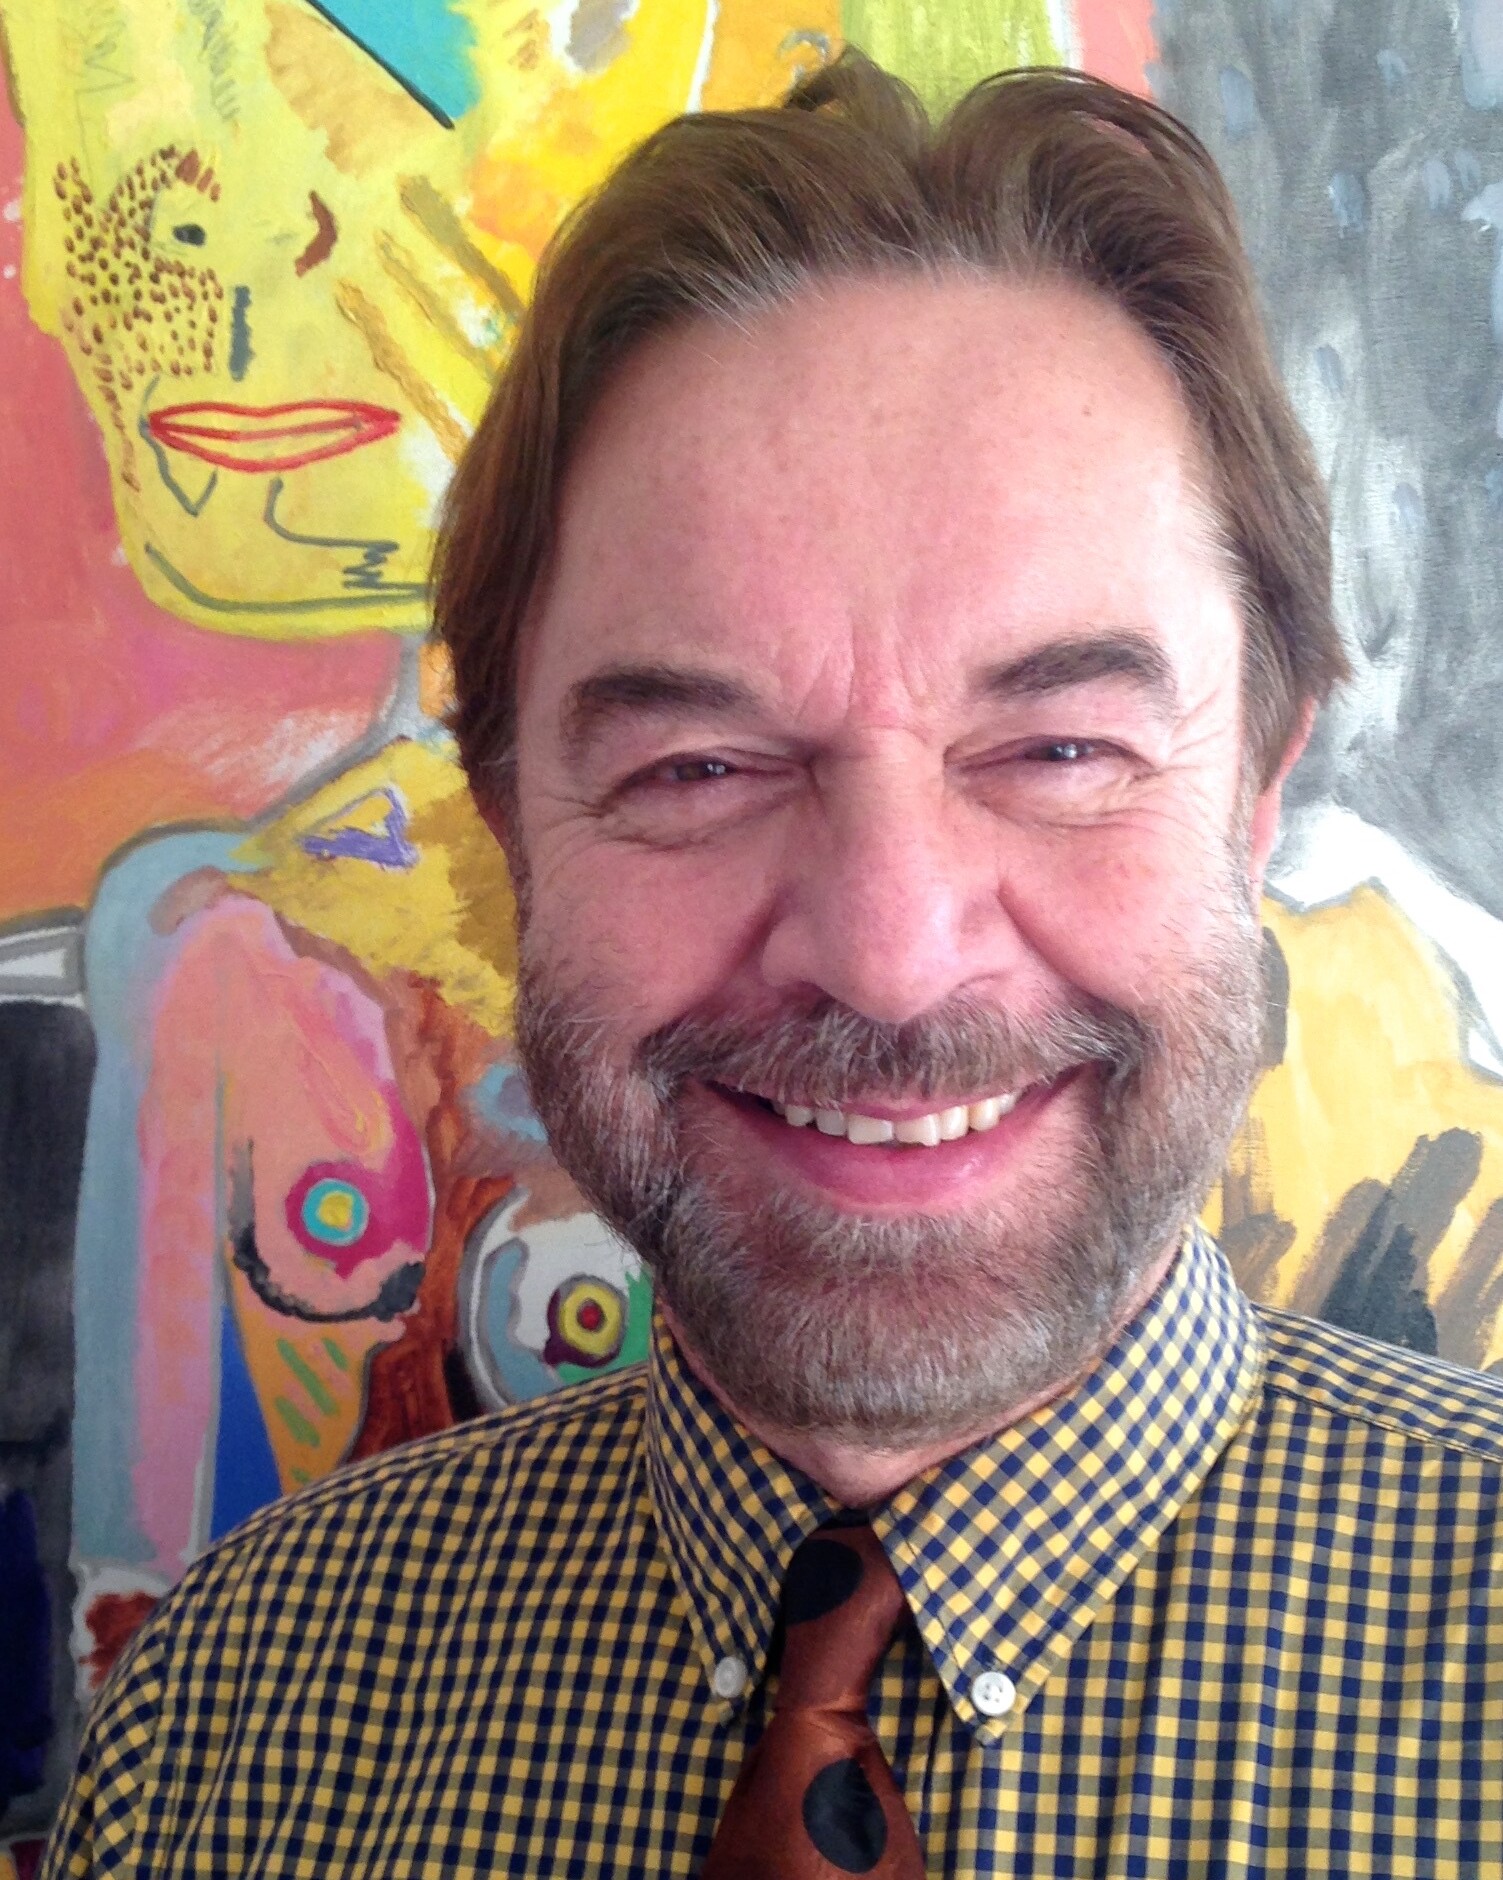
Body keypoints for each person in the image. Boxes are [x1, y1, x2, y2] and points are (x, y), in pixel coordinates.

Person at [44, 54, 1502, 1879]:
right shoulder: (229, 1727)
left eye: (1058, 751)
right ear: (516, 828)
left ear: (1259, 789)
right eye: (701, 770)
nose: (891, 960)